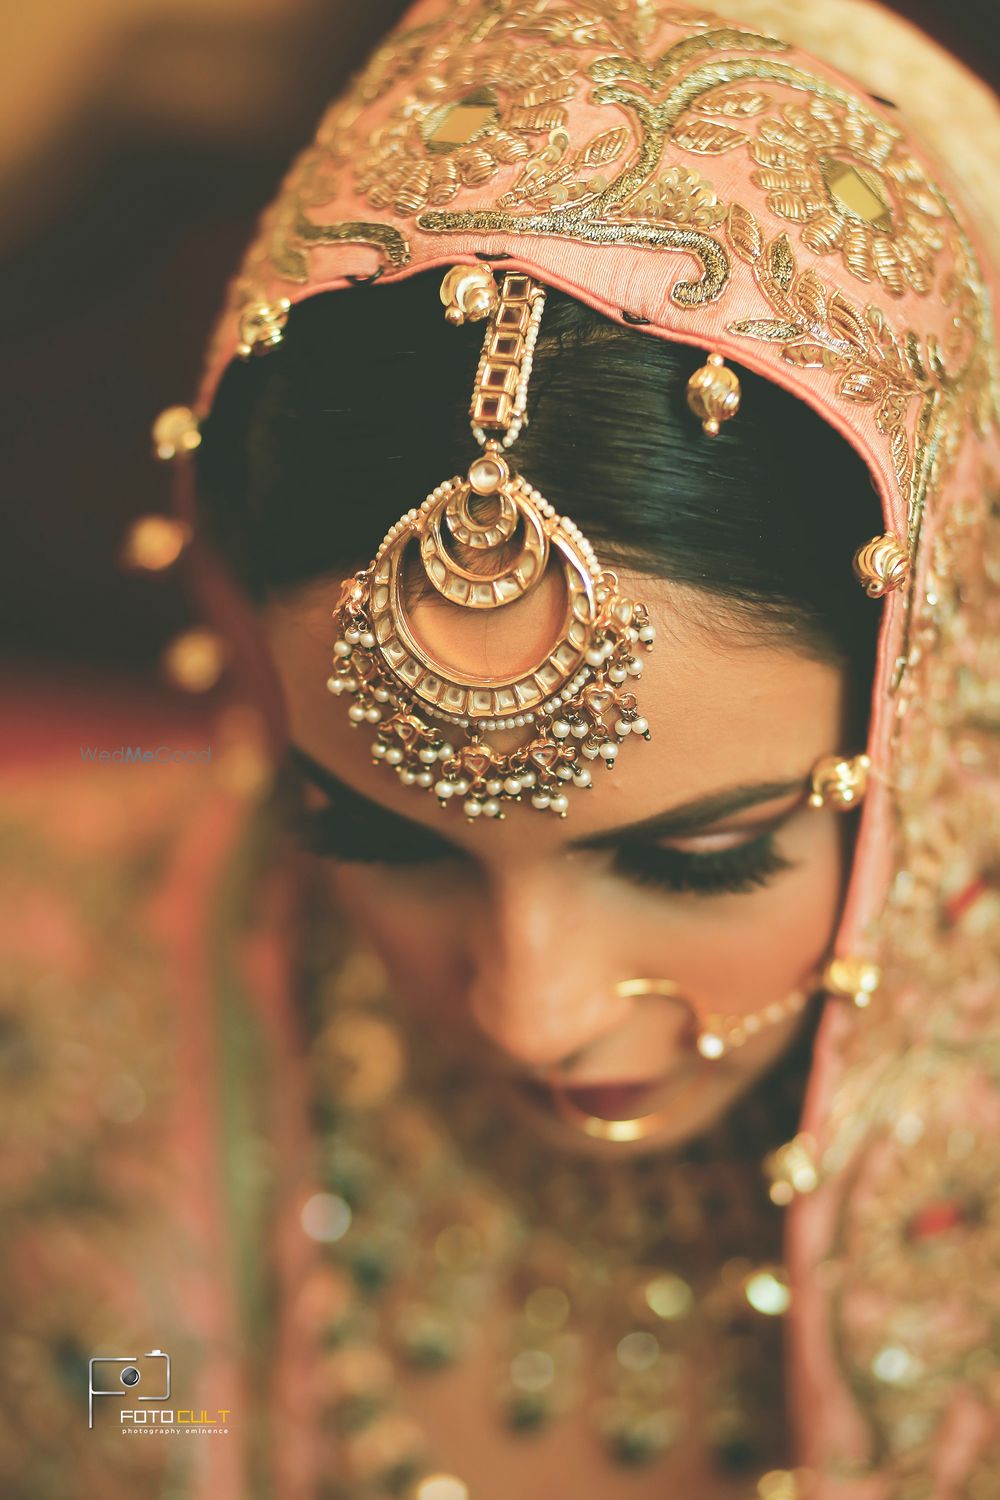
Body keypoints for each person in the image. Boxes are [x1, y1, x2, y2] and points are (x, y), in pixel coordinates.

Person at [3, 3, 997, 1498]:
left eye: (693, 857)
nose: (534, 1011)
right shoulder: (59, 1027)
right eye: (376, 834)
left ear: (937, 718)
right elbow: (115, 1424)